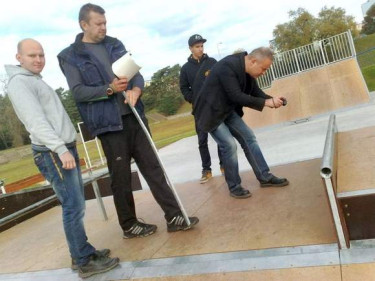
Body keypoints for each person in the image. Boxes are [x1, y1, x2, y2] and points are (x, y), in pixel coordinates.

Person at [57, 3, 199, 239]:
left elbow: (137, 74)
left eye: (105, 22)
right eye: (98, 24)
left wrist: (136, 90)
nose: (104, 27)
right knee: (121, 177)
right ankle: (129, 225)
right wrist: (110, 89)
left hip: (134, 117)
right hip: (109, 126)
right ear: (84, 25)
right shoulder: (70, 56)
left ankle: (174, 216)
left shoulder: (115, 44)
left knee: (153, 169)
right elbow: (79, 92)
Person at [5, 38, 119, 279]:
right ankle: (83, 261)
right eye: (32, 56)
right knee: (73, 206)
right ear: (19, 58)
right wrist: (60, 149)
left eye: (41, 55)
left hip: (61, 149)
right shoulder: (19, 83)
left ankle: (82, 251)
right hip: (53, 153)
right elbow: (36, 122)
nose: (38, 60)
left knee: (76, 205)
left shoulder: (33, 80)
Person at [193, 47, 289, 199]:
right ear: (253, 61)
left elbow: (255, 92)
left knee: (249, 137)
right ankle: (234, 186)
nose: (264, 73)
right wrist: (266, 102)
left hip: (226, 110)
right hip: (209, 112)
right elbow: (237, 96)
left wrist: (272, 99)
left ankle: (265, 177)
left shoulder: (247, 70)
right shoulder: (227, 66)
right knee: (229, 145)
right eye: (263, 69)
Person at [180, 34, 223, 184]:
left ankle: (224, 165)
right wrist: (193, 99)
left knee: (221, 138)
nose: (200, 49)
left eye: (201, 46)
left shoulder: (212, 62)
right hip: (199, 110)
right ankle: (207, 170)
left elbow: (221, 79)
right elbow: (184, 88)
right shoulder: (185, 69)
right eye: (197, 46)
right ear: (191, 48)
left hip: (215, 107)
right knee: (202, 140)